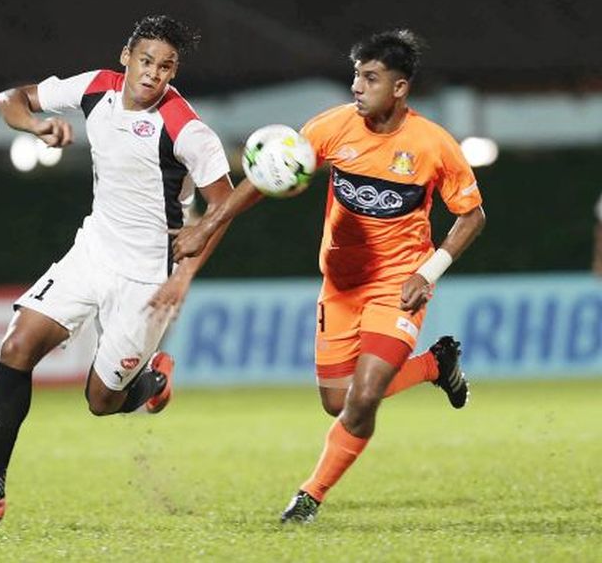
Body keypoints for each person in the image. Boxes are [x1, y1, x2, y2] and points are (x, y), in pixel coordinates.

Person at [170, 29, 486, 523]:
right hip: (339, 285)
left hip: (396, 286)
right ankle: (435, 365)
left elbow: (472, 215)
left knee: (362, 400)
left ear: (400, 87)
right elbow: (264, 176)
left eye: (370, 77)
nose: (357, 87)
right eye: (356, 76)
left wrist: (429, 270)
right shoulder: (334, 127)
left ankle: (309, 497)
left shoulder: (432, 145)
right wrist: (207, 224)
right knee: (337, 402)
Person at [0, 14, 234, 523]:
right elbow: (11, 97)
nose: (153, 74)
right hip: (91, 252)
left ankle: (151, 382)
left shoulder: (185, 128)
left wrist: (182, 278)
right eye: (146, 60)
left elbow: (222, 206)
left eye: (166, 66)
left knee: (100, 401)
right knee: (17, 345)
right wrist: (34, 125)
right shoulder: (95, 87)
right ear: (126, 57)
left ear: (174, 72)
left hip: (145, 280)